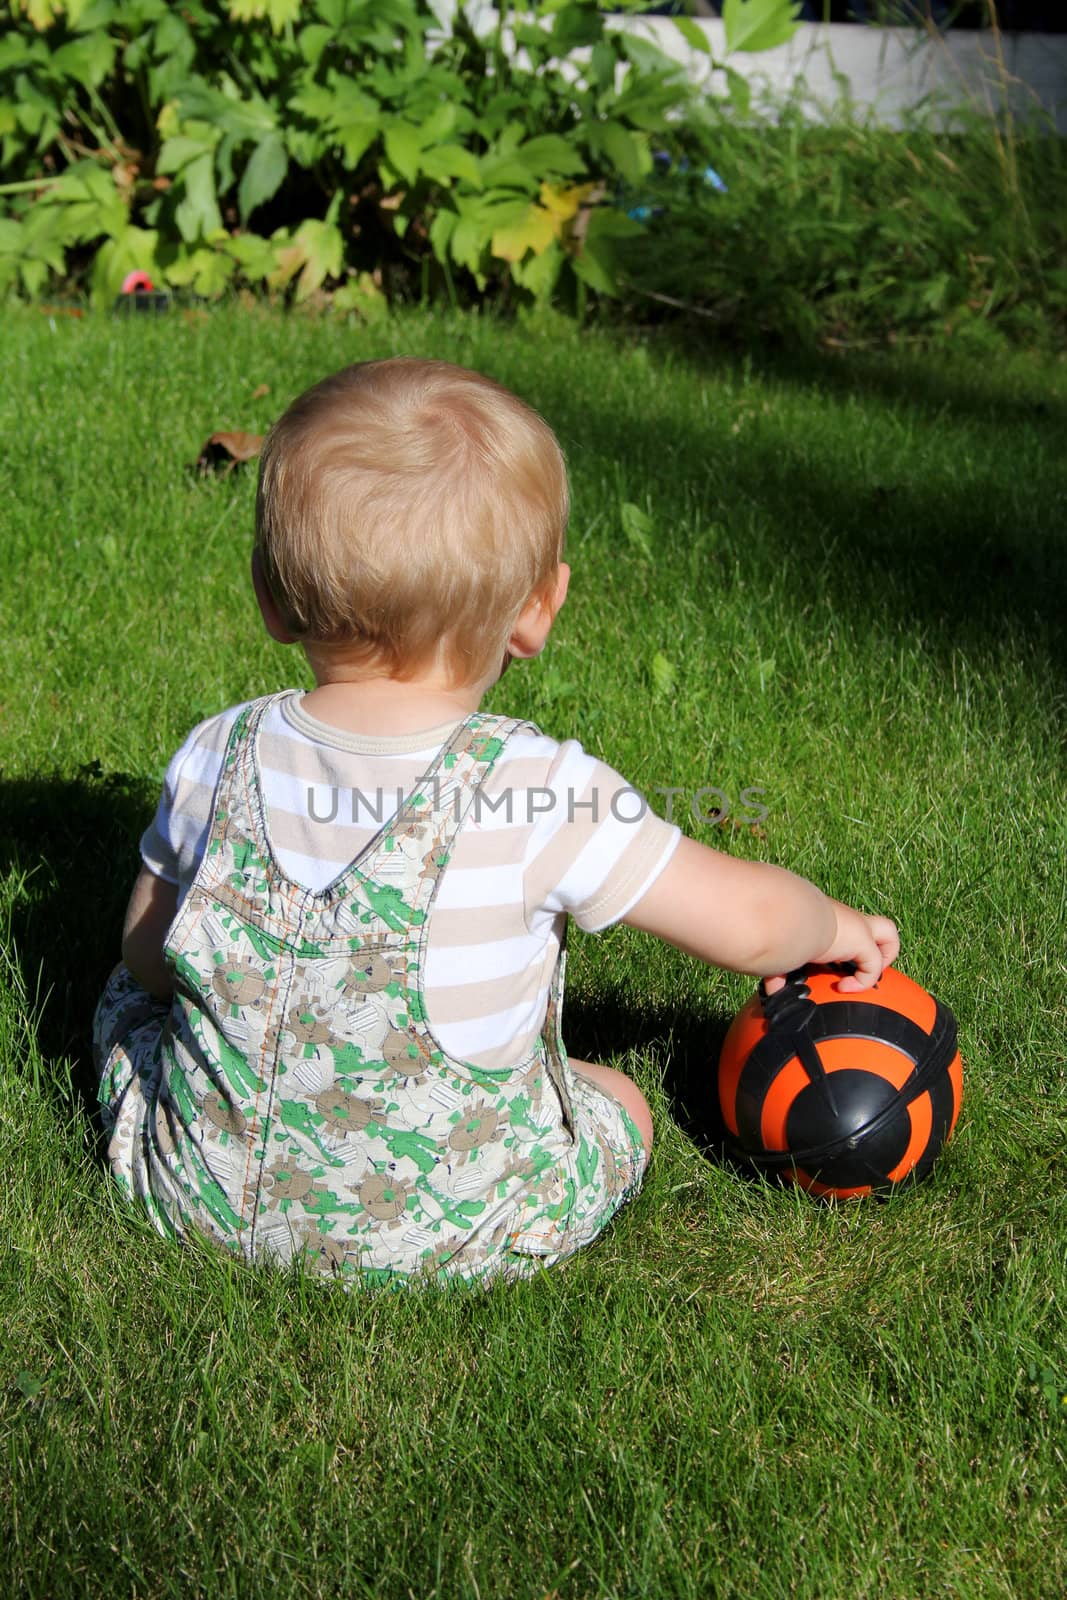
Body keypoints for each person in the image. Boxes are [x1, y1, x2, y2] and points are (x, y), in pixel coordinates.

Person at [93, 358, 898, 1288]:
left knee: (126, 1003)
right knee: (619, 1101)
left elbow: (152, 957)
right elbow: (751, 924)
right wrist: (836, 929)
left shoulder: (215, 753)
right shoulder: (536, 790)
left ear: (270, 596)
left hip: (190, 1197)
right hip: (449, 1239)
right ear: (536, 613)